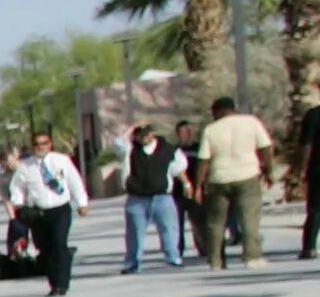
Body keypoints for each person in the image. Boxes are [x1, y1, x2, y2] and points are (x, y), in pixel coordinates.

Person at [194, 94, 275, 268]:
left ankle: (216, 260)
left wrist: (198, 186)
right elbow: (265, 148)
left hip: (219, 178)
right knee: (249, 219)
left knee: (215, 223)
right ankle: (252, 257)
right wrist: (268, 171)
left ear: (218, 111)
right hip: (247, 175)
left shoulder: (211, 129)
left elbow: (203, 160)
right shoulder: (251, 122)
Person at [7, 130, 89, 294]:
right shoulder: (25, 166)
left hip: (60, 209)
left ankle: (62, 284)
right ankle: (54, 284)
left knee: (59, 244)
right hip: (38, 213)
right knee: (45, 250)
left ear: (50, 144)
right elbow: (17, 188)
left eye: (44, 143)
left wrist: (82, 203)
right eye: (37, 144)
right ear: (33, 146)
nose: (41, 147)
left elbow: (75, 182)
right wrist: (19, 204)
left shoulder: (62, 160)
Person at [118, 123, 185, 274]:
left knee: (169, 229)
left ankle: (173, 257)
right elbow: (119, 142)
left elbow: (179, 167)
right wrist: (132, 127)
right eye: (139, 135)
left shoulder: (169, 150)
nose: (143, 138)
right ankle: (132, 263)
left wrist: (184, 183)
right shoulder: (130, 150)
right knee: (134, 233)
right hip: (137, 199)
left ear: (152, 134)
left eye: (146, 135)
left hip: (162, 197)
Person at [171, 119, 205, 261]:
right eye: (184, 131)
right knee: (176, 223)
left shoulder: (199, 148)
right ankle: (177, 250)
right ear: (178, 134)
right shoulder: (173, 150)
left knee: (199, 221)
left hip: (196, 189)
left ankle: (204, 248)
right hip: (177, 192)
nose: (188, 134)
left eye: (190, 131)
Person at [299, 97, 320, 260]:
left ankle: (309, 247)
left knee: (315, 209)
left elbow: (307, 143)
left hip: (317, 168)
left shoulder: (314, 115)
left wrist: (303, 168)